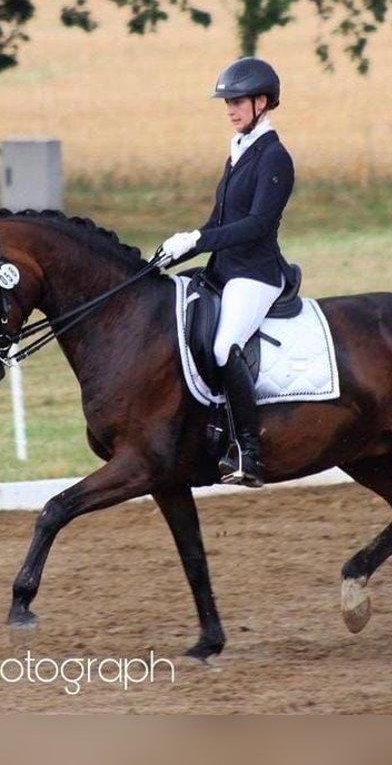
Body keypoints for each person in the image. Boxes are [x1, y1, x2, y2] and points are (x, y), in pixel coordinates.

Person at [158, 56, 295, 488]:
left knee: (223, 347)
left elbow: (255, 226)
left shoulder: (275, 157)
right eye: (227, 102)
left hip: (255, 273)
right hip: (225, 269)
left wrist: (199, 240)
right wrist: (177, 249)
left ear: (262, 102)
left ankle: (248, 452)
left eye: (237, 102)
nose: (230, 109)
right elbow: (221, 220)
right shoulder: (238, 150)